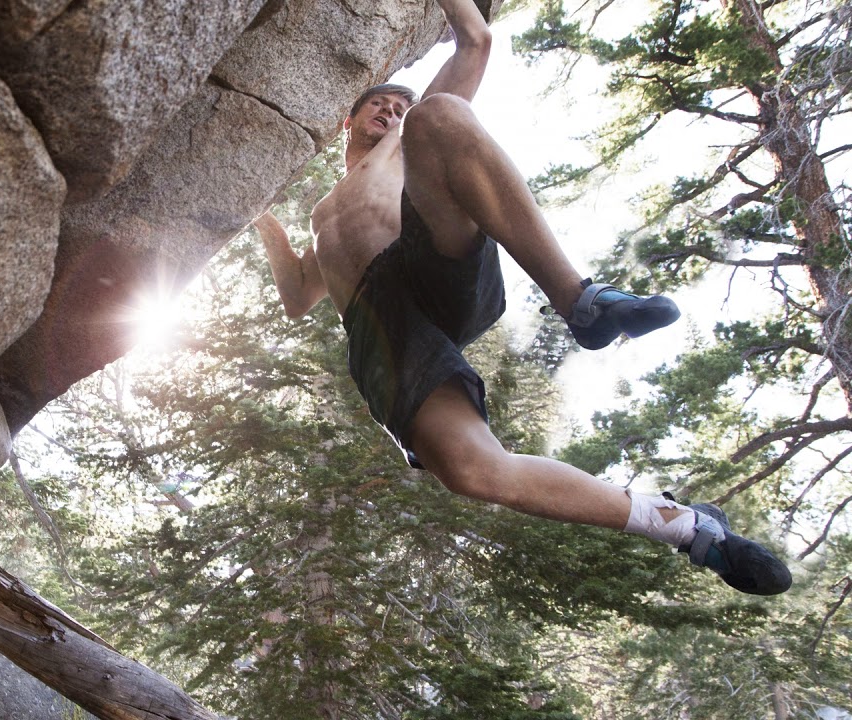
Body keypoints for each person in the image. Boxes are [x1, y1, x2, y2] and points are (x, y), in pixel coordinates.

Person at [253, 0, 791, 595]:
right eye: (378, 102)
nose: (392, 108)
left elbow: (476, 41)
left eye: (398, 102)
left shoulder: (406, 138)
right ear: (345, 125)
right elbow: (300, 294)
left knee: (443, 115)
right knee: (472, 470)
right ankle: (686, 528)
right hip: (381, 327)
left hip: (429, 261)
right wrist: (256, 212)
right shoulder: (322, 212)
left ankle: (581, 301)